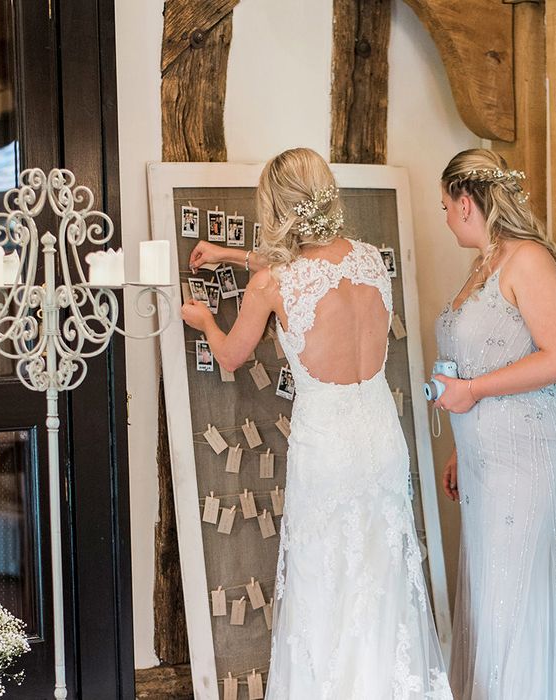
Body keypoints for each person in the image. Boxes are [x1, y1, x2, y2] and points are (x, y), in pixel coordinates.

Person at [181, 147, 451, 699]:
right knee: (382, 584)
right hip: (380, 439)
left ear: (275, 207)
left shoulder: (273, 285)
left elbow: (232, 356)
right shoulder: (371, 259)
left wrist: (205, 319)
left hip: (328, 448)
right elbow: (303, 265)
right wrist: (231, 255)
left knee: (324, 585)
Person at [433, 149, 556, 699]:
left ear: (467, 203)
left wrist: (470, 392)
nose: (445, 216)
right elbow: (484, 357)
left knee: (511, 601)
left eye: (445, 205)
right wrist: (460, 448)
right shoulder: (483, 265)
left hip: (530, 453)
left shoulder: (527, 260)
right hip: (484, 457)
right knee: (491, 598)